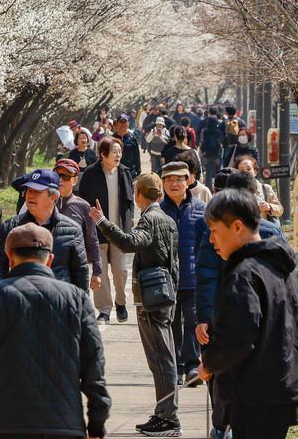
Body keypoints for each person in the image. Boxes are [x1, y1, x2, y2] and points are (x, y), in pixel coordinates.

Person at [0, 224, 110, 439]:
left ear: (9, 258)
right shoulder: (77, 298)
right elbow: (94, 364)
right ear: (50, 259)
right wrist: (97, 421)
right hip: (64, 421)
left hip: (6, 422)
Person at [197, 190, 298, 439]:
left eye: (214, 231)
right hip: (280, 387)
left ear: (236, 227)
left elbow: (238, 339)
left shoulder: (243, 274)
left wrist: (209, 362)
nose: (212, 240)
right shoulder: (280, 265)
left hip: (255, 396)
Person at [91, 173, 181, 437]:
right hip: (165, 297)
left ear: (140, 195)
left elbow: (130, 244)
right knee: (165, 358)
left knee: (160, 360)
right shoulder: (168, 219)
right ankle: (165, 413)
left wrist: (102, 222)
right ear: (161, 195)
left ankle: (168, 419)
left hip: (152, 302)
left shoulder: (150, 220)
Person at [0, 169, 89, 292]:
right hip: (19, 300)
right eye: (29, 190)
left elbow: (80, 273)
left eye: (37, 191)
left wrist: (80, 304)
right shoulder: (11, 227)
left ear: (53, 197)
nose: (31, 195)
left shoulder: (72, 230)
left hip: (56, 301)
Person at [157, 162, 206, 386]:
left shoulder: (201, 209)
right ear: (163, 184)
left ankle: (192, 366)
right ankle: (175, 367)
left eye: (179, 179)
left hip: (193, 277)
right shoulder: (156, 211)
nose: (174, 184)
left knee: (194, 322)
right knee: (172, 323)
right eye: (168, 180)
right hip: (167, 280)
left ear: (188, 181)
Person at [79, 136, 135, 324]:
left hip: (118, 231)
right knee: (100, 271)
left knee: (120, 270)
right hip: (97, 231)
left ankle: (121, 302)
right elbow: (83, 201)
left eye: (120, 151)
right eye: (114, 152)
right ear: (103, 154)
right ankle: (104, 309)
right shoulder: (90, 174)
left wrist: (129, 224)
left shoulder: (125, 173)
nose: (118, 155)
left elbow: (129, 202)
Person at [52, 159, 102, 290]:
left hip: (76, 269)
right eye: (58, 175)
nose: (61, 180)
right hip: (49, 268)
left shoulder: (83, 206)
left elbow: (92, 240)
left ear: (75, 180)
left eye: (66, 177)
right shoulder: (45, 202)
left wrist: (97, 272)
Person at [233, 155, 283, 224]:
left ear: (255, 171)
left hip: (264, 230)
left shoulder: (265, 188)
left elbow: (280, 210)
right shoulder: (232, 191)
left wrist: (269, 207)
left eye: (248, 169)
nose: (245, 172)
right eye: (241, 170)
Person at [199, 109, 225, 189]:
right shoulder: (218, 131)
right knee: (218, 173)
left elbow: (202, 141)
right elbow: (221, 141)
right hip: (216, 154)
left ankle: (210, 190)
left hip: (206, 154)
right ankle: (218, 188)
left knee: (208, 173)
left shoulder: (204, 131)